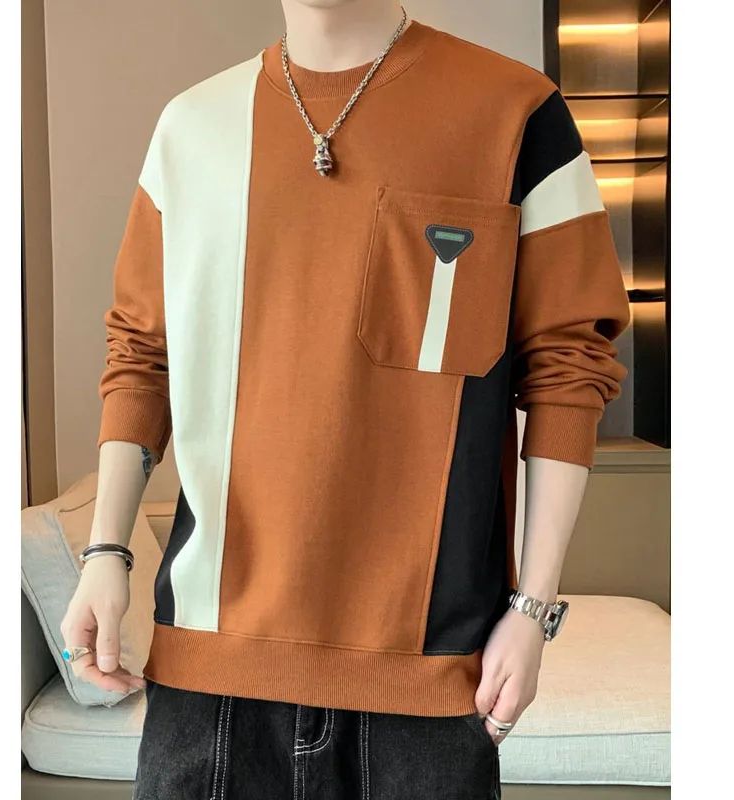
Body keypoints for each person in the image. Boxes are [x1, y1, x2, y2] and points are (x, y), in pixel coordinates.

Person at [60, 1, 631, 797]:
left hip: (429, 682)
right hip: (208, 676)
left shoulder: (517, 112)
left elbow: (569, 364)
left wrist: (533, 609)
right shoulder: (189, 128)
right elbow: (141, 354)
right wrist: (105, 553)